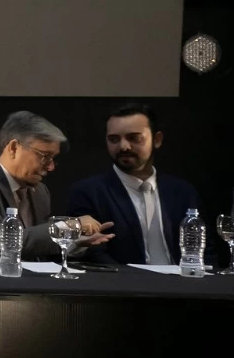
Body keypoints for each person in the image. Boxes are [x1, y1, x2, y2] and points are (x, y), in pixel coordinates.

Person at [0, 111, 112, 262]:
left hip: (16, 280)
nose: (51, 167)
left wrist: (74, 241)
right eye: (44, 156)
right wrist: (70, 226)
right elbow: (0, 246)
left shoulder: (40, 191)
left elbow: (35, 245)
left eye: (53, 159)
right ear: (13, 148)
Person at [67, 103, 199, 266]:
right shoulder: (88, 192)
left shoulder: (182, 191)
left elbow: (204, 248)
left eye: (134, 138)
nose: (123, 147)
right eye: (114, 139)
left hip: (183, 278)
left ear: (157, 140)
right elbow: (93, 252)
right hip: (123, 280)